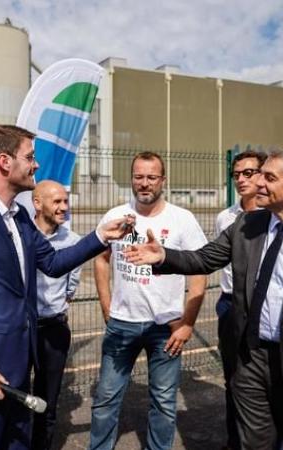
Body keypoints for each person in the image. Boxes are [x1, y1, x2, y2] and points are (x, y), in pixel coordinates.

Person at [125, 148, 283, 450]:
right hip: (250, 360)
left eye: (269, 177)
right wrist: (163, 255)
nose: (258, 183)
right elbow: (204, 258)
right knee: (253, 444)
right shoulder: (246, 225)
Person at [0, 124, 134, 450]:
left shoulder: (20, 217)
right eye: (30, 157)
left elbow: (53, 264)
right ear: (4, 162)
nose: (36, 165)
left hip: (18, 370)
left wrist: (100, 236)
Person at [88, 151, 208, 450]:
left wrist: (188, 323)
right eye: (139, 177)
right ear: (132, 179)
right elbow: (101, 260)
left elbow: (200, 271)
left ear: (163, 180)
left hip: (165, 328)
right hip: (122, 324)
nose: (144, 183)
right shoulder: (115, 216)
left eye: (151, 177)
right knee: (105, 400)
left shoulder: (182, 220)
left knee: (164, 403)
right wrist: (107, 306)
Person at [214, 150, 267, 450]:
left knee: (265, 380)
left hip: (263, 308)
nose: (241, 179)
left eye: (249, 172)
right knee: (232, 379)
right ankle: (235, 441)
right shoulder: (225, 217)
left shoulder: (272, 215)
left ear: (263, 174)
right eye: (237, 174)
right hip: (230, 304)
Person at [31, 180, 82, 450]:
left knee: (47, 402)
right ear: (37, 204)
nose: (64, 207)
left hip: (54, 329)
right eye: (57, 202)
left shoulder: (72, 241)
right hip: (23, 330)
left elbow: (71, 286)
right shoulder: (23, 236)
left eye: (65, 201)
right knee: (13, 398)